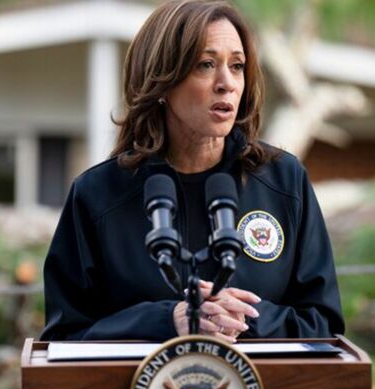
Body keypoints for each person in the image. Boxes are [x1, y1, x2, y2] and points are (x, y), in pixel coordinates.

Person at [41, 0, 343, 343]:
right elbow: (65, 337)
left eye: (237, 66)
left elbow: (324, 325)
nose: (227, 83)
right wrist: (165, 321)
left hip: (262, 380)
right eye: (206, 64)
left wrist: (242, 319)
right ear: (162, 81)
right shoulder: (97, 194)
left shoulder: (284, 181)